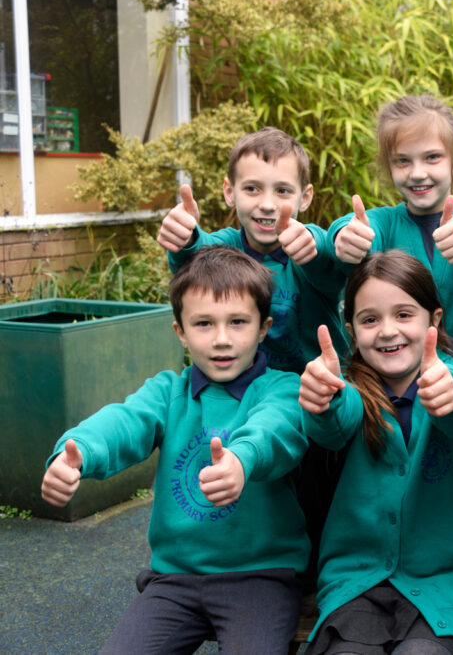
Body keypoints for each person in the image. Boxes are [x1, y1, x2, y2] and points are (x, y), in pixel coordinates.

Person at [40, 246, 309, 654]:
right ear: (180, 331)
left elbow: (276, 428)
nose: (222, 339)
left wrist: (241, 459)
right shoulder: (169, 392)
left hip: (260, 577)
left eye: (238, 322)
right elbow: (125, 421)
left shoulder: (282, 387)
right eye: (203, 324)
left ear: (263, 327)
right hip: (175, 579)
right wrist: (78, 451)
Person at [298, 250, 453, 655]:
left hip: (447, 585)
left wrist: (452, 392)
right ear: (351, 330)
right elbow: (336, 421)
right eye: (370, 319)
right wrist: (324, 400)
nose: (388, 331)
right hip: (356, 583)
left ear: (434, 321)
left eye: (404, 314)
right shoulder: (350, 390)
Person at [327, 94, 453, 370]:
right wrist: (347, 236)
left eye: (432, 157)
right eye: (402, 161)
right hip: (397, 386)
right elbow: (353, 228)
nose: (416, 173)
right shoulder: (386, 222)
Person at [157, 126, 348, 374]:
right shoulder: (225, 247)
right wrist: (185, 236)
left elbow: (325, 257)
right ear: (229, 192)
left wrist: (311, 247)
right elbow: (195, 257)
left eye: (283, 191)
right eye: (252, 189)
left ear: (305, 197)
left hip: (321, 387)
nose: (267, 205)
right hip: (248, 390)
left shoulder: (307, 243)